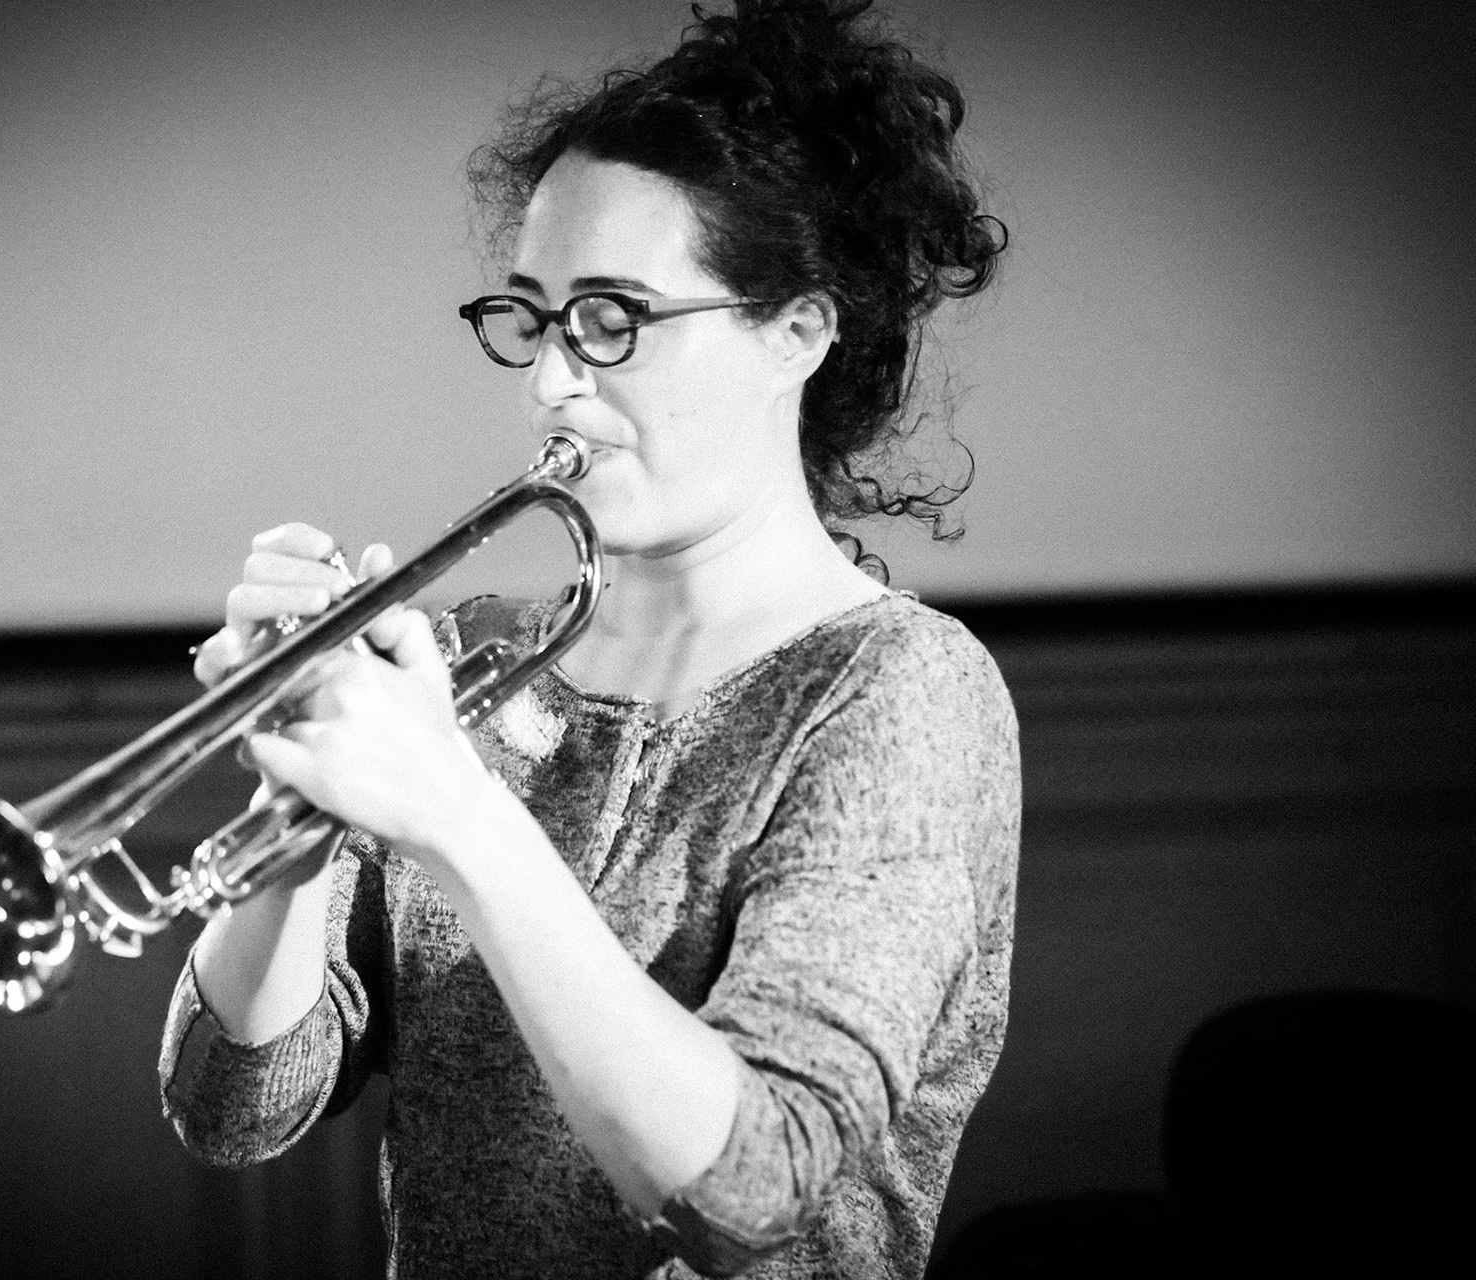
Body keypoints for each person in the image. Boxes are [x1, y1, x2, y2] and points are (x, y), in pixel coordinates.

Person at [160, 2, 1017, 1276]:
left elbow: (750, 1193)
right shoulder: (468, 660)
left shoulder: (901, 691)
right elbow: (235, 1110)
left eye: (613, 319)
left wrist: (460, 815)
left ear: (798, 331)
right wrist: (294, 799)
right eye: (534, 317)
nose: (552, 380)